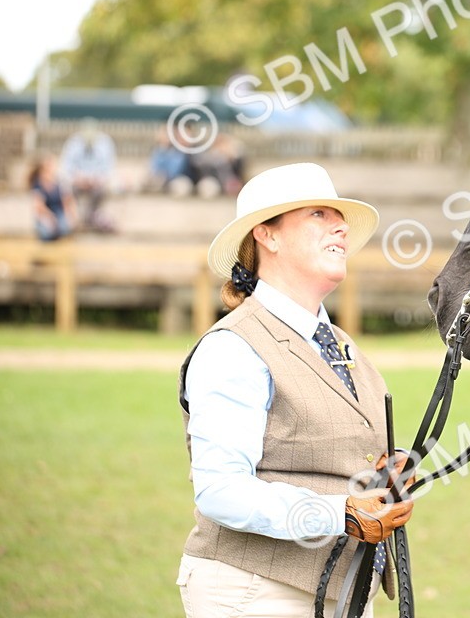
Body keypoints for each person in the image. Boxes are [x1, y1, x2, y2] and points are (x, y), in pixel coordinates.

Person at [176, 162, 413, 618]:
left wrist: (385, 469)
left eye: (339, 217)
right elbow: (220, 489)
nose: (341, 226)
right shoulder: (234, 347)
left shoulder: (341, 343)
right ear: (267, 235)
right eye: (318, 214)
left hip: (343, 593)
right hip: (256, 592)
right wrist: (341, 513)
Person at [60, 117, 117, 231]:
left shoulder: (105, 143)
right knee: (66, 190)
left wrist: (97, 180)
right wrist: (78, 179)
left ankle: (91, 217)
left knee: (101, 191)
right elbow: (66, 168)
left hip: (97, 183)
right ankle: (73, 218)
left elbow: (109, 169)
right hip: (77, 183)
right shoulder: (73, 143)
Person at [29, 154, 76, 241]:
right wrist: (50, 217)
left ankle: (58, 233)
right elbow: (39, 206)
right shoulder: (38, 184)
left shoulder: (60, 182)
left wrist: (70, 216)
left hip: (59, 212)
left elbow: (66, 201)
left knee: (64, 228)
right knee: (46, 234)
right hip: (46, 214)